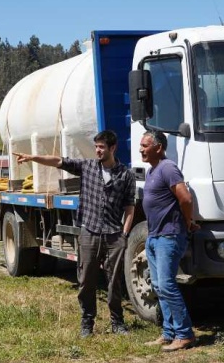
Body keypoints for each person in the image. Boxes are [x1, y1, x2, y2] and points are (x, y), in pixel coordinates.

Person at [14, 130, 135, 338]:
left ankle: (118, 322)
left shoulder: (125, 174)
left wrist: (124, 234)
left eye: (101, 147)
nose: (97, 150)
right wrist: (33, 157)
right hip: (89, 231)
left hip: (114, 234)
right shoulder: (87, 168)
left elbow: (130, 207)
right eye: (96, 146)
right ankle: (87, 322)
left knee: (114, 281)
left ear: (113, 148)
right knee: (86, 279)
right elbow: (59, 161)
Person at [139, 130, 199, 352]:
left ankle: (185, 335)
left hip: (169, 235)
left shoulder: (168, 168)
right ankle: (168, 333)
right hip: (154, 236)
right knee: (158, 286)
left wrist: (188, 221)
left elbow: (185, 198)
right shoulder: (151, 171)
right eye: (141, 145)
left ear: (159, 148)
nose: (141, 149)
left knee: (166, 285)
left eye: (145, 145)